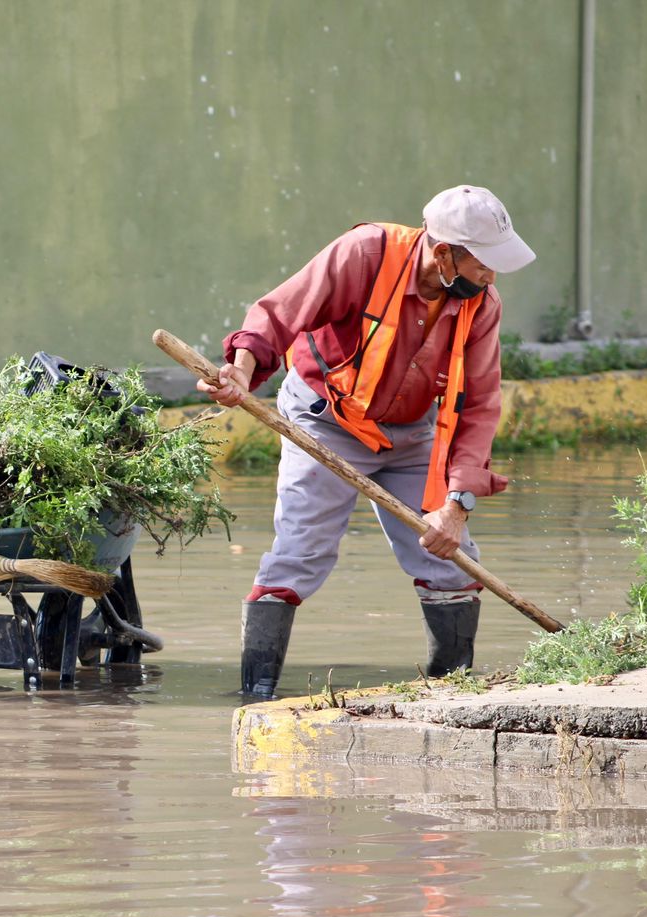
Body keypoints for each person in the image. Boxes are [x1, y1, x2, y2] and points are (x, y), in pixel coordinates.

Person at [199, 185, 535, 699]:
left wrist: (457, 504)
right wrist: (241, 373)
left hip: (415, 433)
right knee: (299, 554)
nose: (491, 277)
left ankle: (451, 698)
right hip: (326, 421)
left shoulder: (481, 304)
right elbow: (277, 314)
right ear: (443, 252)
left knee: (450, 559)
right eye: (483, 264)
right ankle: (255, 697)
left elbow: (480, 405)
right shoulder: (365, 254)